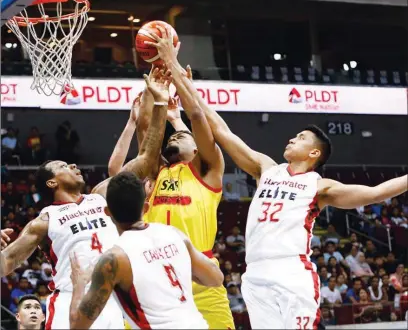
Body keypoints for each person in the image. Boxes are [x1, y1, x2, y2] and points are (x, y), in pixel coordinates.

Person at [147, 25, 408, 329]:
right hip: (255, 275)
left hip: (291, 273)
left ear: (315, 154)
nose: (292, 139)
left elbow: (376, 193)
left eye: (301, 138)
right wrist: (181, 79)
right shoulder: (266, 169)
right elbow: (219, 129)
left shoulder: (320, 186)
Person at [0, 71, 171, 329]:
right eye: (63, 165)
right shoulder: (45, 220)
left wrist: (160, 103)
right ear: (51, 182)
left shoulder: (100, 196)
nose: (73, 164)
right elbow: (7, 263)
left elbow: (147, 159)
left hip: (115, 301)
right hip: (72, 299)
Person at [108, 33, 233, 328]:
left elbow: (198, 117)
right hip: (152, 269)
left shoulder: (208, 169)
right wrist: (155, 88)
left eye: (181, 136)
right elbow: (146, 129)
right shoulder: (154, 171)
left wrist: (177, 74)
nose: (175, 136)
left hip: (199, 272)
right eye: (173, 134)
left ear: (197, 148)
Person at [69, 172, 223, 329]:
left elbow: (77, 325)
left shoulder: (113, 260)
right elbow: (216, 278)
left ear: (107, 212)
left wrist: (78, 285)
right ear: (146, 207)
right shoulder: (175, 235)